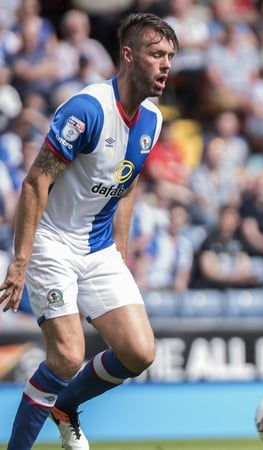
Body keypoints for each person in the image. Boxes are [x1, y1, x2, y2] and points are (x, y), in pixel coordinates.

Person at [0, 13, 178, 450]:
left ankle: (66, 408)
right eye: (157, 54)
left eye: (171, 56)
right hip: (51, 240)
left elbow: (127, 183)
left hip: (98, 248)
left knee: (139, 353)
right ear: (129, 56)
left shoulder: (151, 121)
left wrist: (118, 249)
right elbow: (35, 182)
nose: (166, 65)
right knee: (66, 356)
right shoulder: (88, 109)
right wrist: (20, 262)